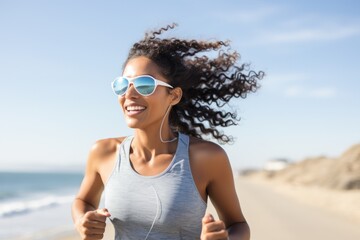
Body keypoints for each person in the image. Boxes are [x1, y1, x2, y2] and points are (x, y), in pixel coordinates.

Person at [72, 23, 264, 240]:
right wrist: (82, 221)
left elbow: (238, 225)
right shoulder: (104, 152)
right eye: (123, 84)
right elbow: (83, 201)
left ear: (173, 96)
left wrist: (226, 239)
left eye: (145, 84)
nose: (130, 93)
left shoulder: (206, 157)